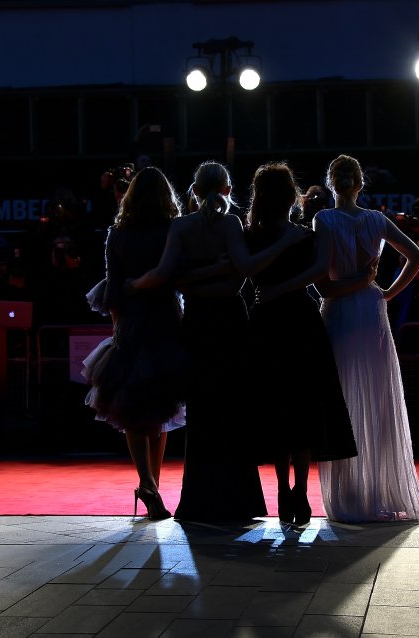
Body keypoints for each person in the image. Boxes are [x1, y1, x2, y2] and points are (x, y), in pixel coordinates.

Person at [128, 159, 306, 522]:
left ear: (194, 190)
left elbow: (171, 277)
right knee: (233, 411)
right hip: (229, 321)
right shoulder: (230, 223)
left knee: (202, 413)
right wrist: (219, 270)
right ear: (227, 190)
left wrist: (140, 285)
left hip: (196, 322)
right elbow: (241, 273)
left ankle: (199, 501)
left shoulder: (180, 226)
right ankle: (239, 502)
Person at [243, 161, 358, 526]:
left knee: (277, 408)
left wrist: (273, 286)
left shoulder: (251, 236)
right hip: (301, 323)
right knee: (305, 409)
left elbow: (250, 275)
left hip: (266, 325)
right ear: (292, 195)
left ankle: (281, 489)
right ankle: (301, 492)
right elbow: (319, 275)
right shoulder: (303, 235)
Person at [313, 154, 419, 523]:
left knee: (341, 401)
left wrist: (363, 287)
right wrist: (386, 293)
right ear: (360, 184)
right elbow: (417, 256)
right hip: (370, 310)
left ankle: (348, 495)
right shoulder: (376, 219)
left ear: (332, 184)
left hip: (340, 311)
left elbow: (323, 283)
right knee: (375, 399)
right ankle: (377, 491)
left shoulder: (324, 219)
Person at [82, 167, 189, 521]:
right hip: (165, 320)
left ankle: (147, 483)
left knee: (132, 411)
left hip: (131, 321)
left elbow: (113, 289)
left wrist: (118, 330)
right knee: (161, 407)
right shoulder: (172, 229)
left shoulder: (118, 233)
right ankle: (152, 483)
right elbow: (177, 278)